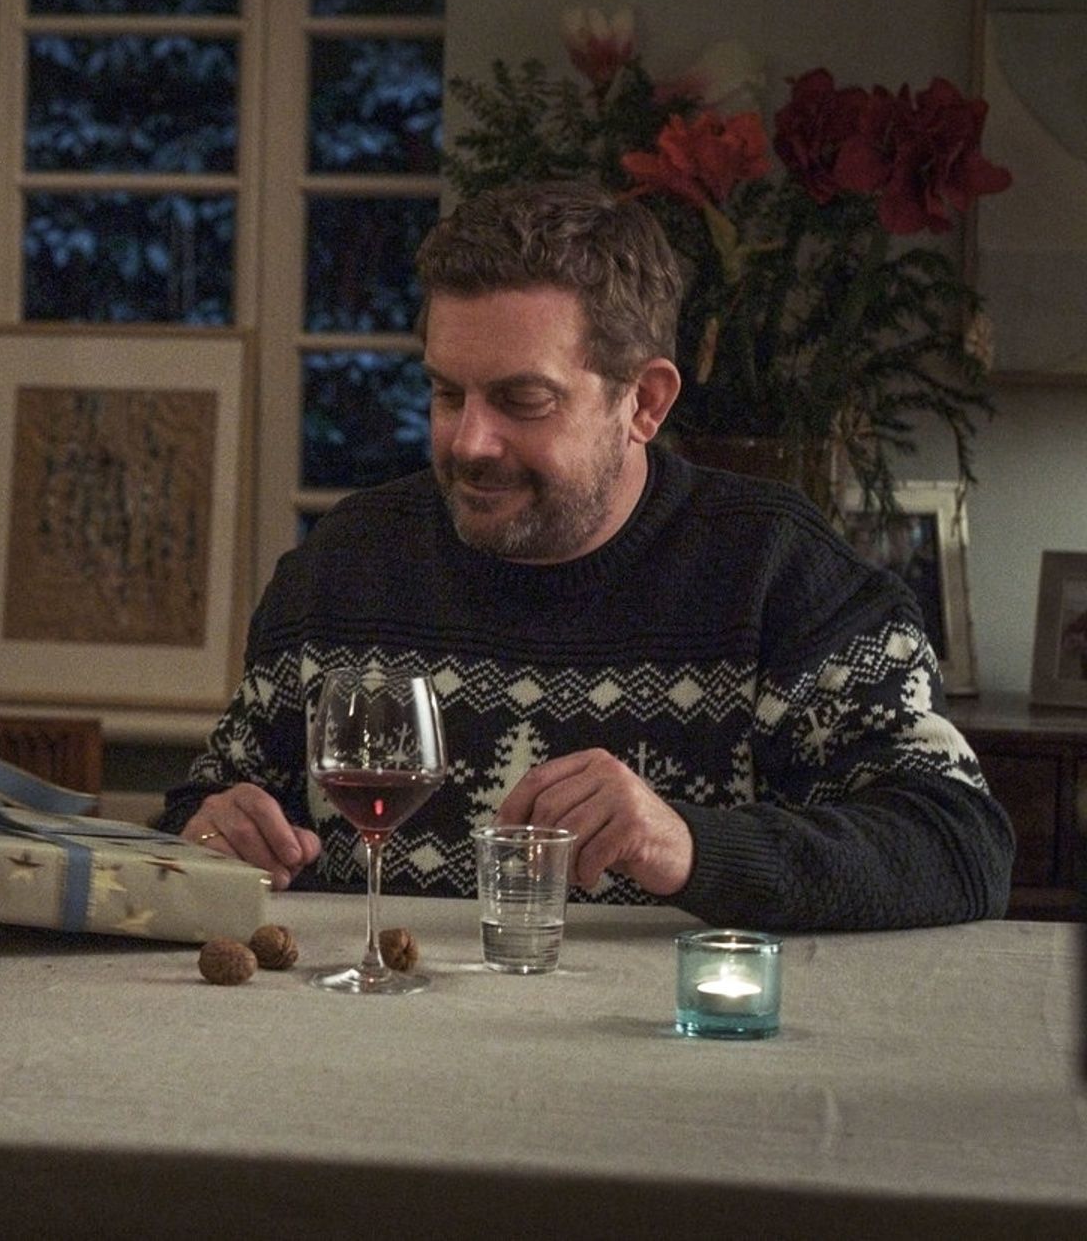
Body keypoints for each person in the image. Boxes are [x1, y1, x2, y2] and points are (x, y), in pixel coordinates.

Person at [157, 180, 1012, 932]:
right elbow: (204, 812)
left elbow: (960, 844)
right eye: (447, 393)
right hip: (370, 1041)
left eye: (522, 400)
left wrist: (688, 844)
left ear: (644, 403)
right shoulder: (342, 566)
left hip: (661, 1050)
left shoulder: (779, 572)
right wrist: (212, 832)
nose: (470, 442)